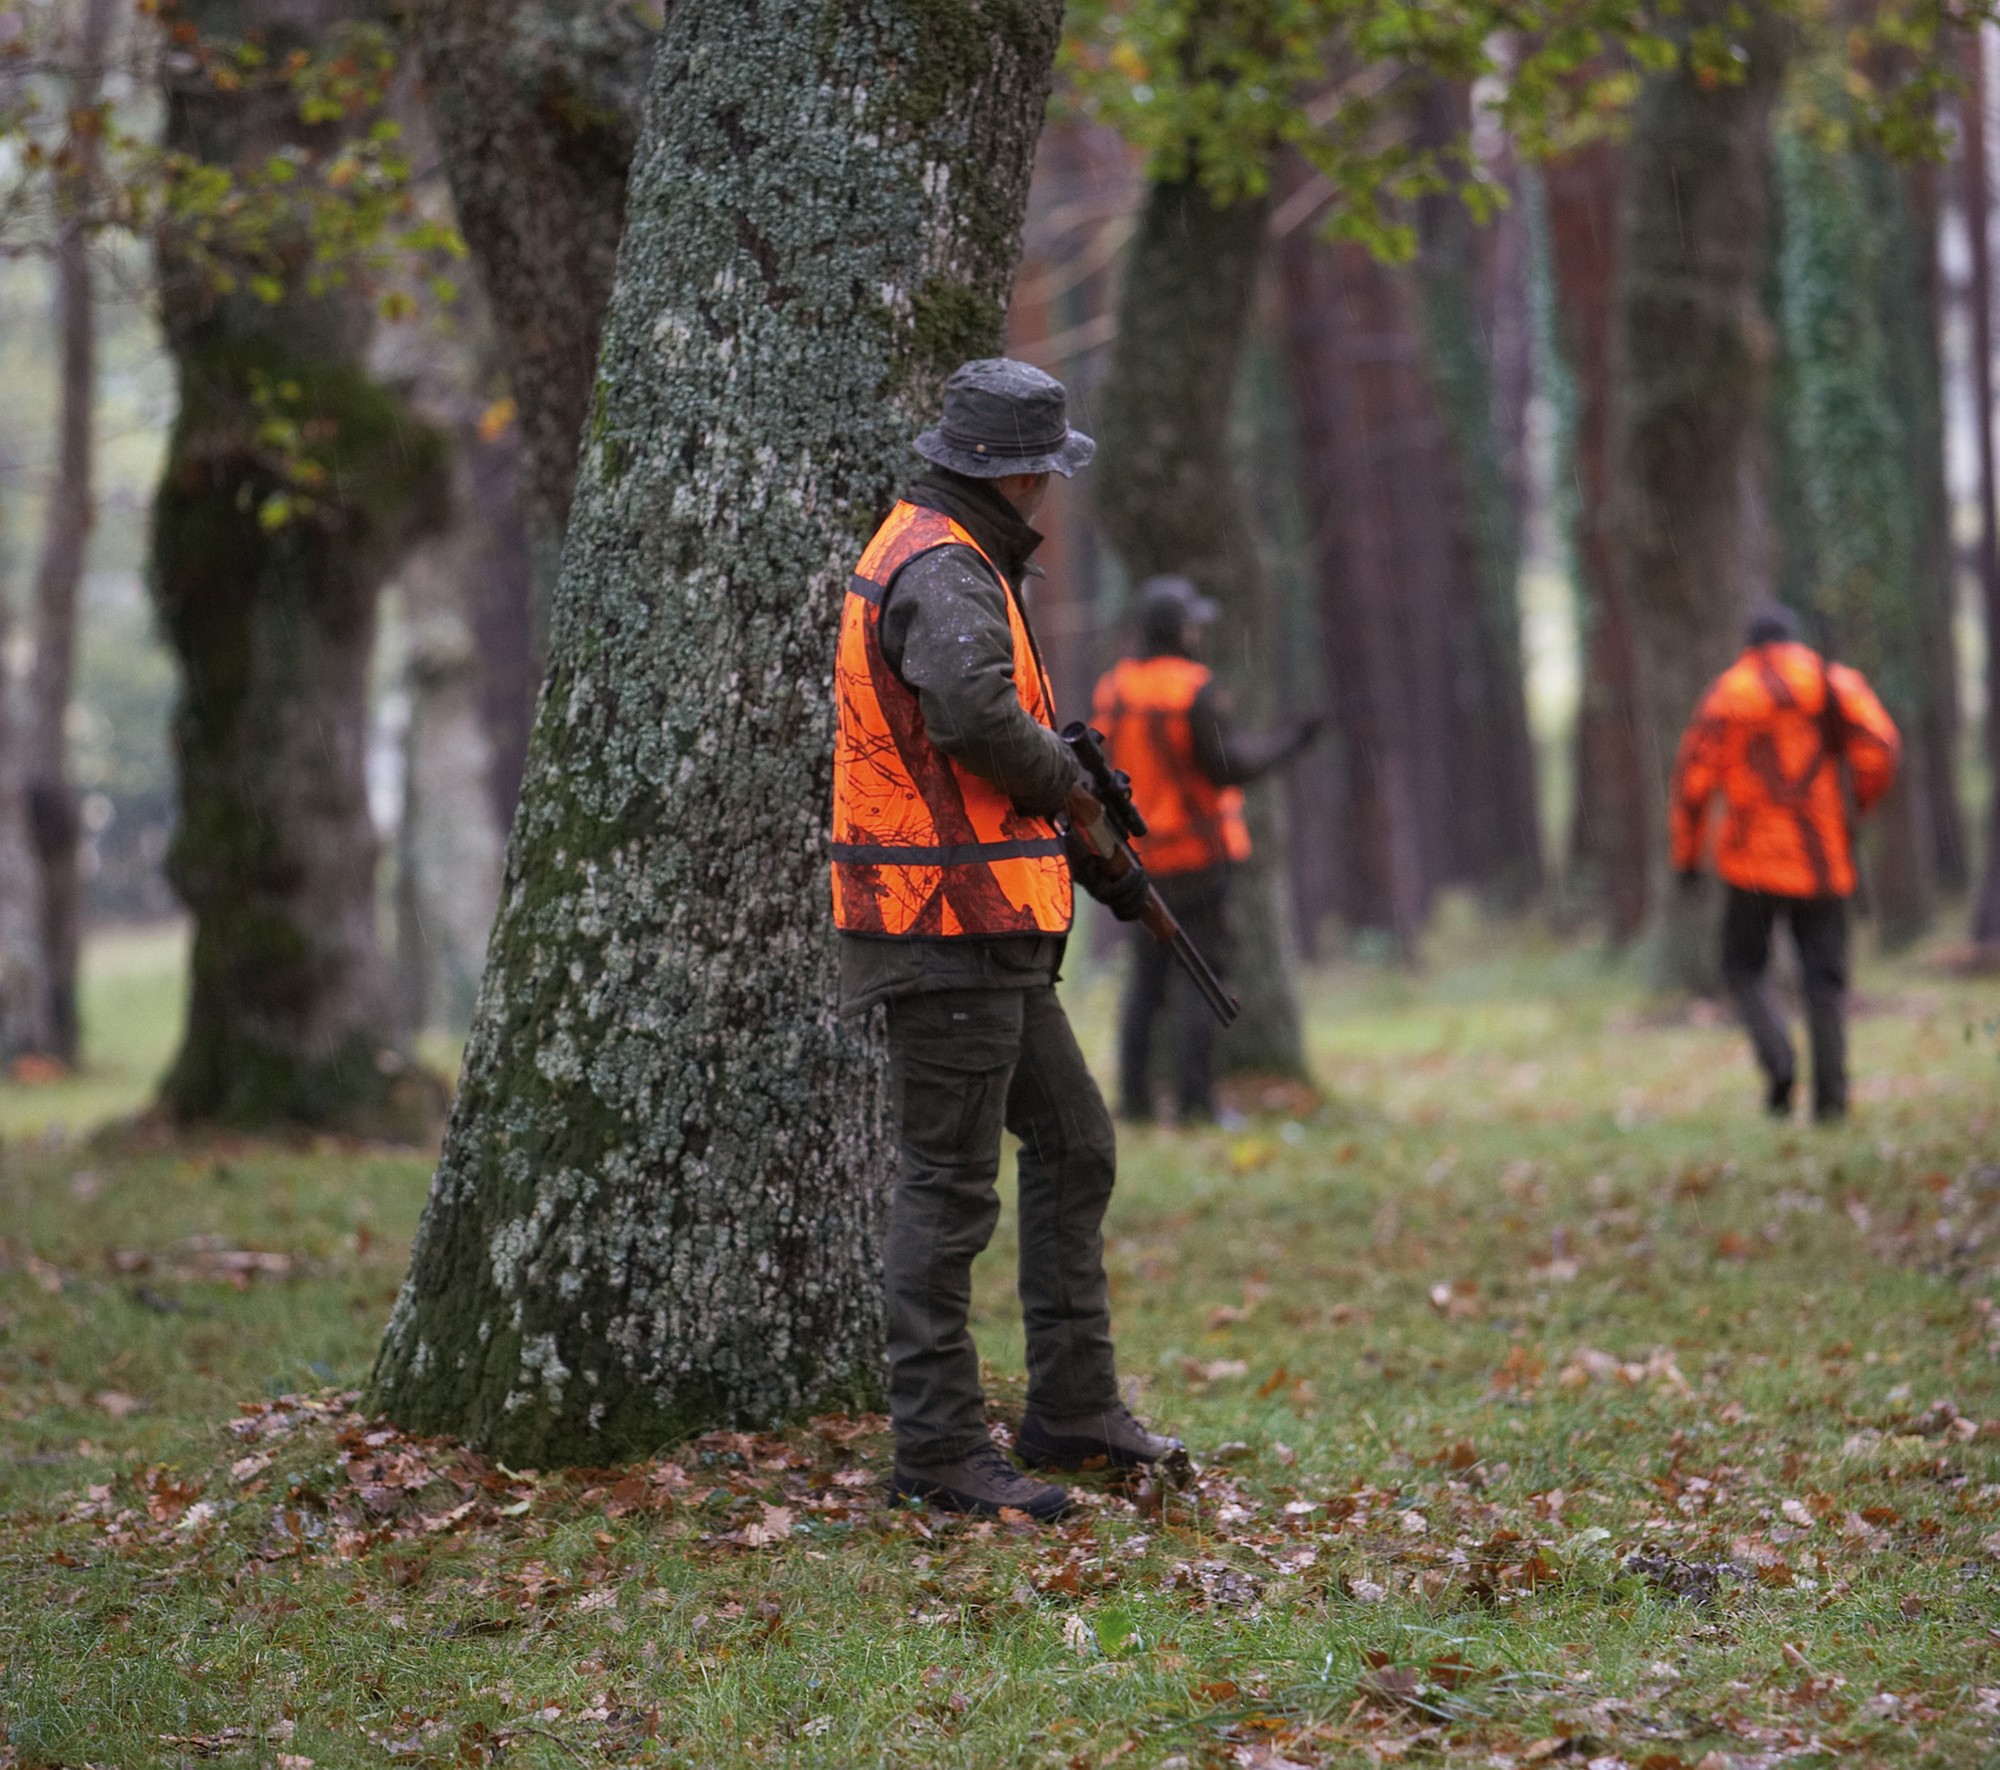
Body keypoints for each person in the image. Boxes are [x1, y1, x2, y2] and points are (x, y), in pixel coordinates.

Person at [831, 357, 1184, 1521]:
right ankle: (937, 1453)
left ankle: (1072, 1407)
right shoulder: (942, 563)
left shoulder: (951, 552)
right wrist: (1065, 792)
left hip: (983, 926)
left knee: (1076, 1143)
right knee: (946, 1190)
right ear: (1021, 473)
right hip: (942, 924)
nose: (1048, 489)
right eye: (1045, 470)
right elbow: (973, 715)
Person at [1092, 577, 1320, 1123]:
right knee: (1203, 977)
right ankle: (1196, 1103)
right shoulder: (1192, 689)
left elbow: (1099, 765)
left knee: (1146, 982)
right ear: (1177, 630)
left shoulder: (1114, 689)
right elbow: (1226, 767)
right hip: (1198, 856)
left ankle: (1136, 1101)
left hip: (1141, 859)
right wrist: (1289, 743)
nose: (1198, 631)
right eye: (1192, 622)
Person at [1669, 604, 1900, 1122]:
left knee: (1741, 967)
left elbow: (1693, 781)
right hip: (1822, 861)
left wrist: (1687, 857)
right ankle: (1831, 1102)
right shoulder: (1832, 683)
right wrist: (1858, 805)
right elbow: (1881, 746)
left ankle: (1777, 1059)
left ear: (1749, 645)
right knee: (1825, 980)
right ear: (1792, 640)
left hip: (1750, 865)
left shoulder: (1729, 693)